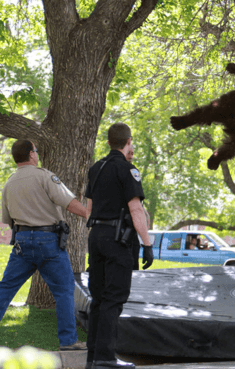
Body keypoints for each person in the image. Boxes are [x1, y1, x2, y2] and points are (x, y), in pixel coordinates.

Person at [0, 140, 88, 350]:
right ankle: (68, 341)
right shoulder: (45, 176)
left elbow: (5, 221)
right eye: (36, 151)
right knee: (64, 291)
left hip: (22, 243)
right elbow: (68, 202)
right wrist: (88, 215)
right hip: (49, 241)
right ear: (31, 154)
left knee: (6, 288)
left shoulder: (9, 184)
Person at [85, 122, 154, 369]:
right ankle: (106, 358)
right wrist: (146, 243)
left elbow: (89, 210)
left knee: (98, 299)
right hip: (118, 239)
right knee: (114, 299)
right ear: (128, 142)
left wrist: (96, 236)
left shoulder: (96, 168)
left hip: (97, 236)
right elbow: (135, 208)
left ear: (108, 142)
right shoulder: (127, 170)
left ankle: (92, 357)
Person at [125, 147, 150, 270]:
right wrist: (147, 245)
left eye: (132, 154)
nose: (131, 156)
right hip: (125, 235)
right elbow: (135, 209)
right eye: (128, 153)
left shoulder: (100, 168)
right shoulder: (131, 171)